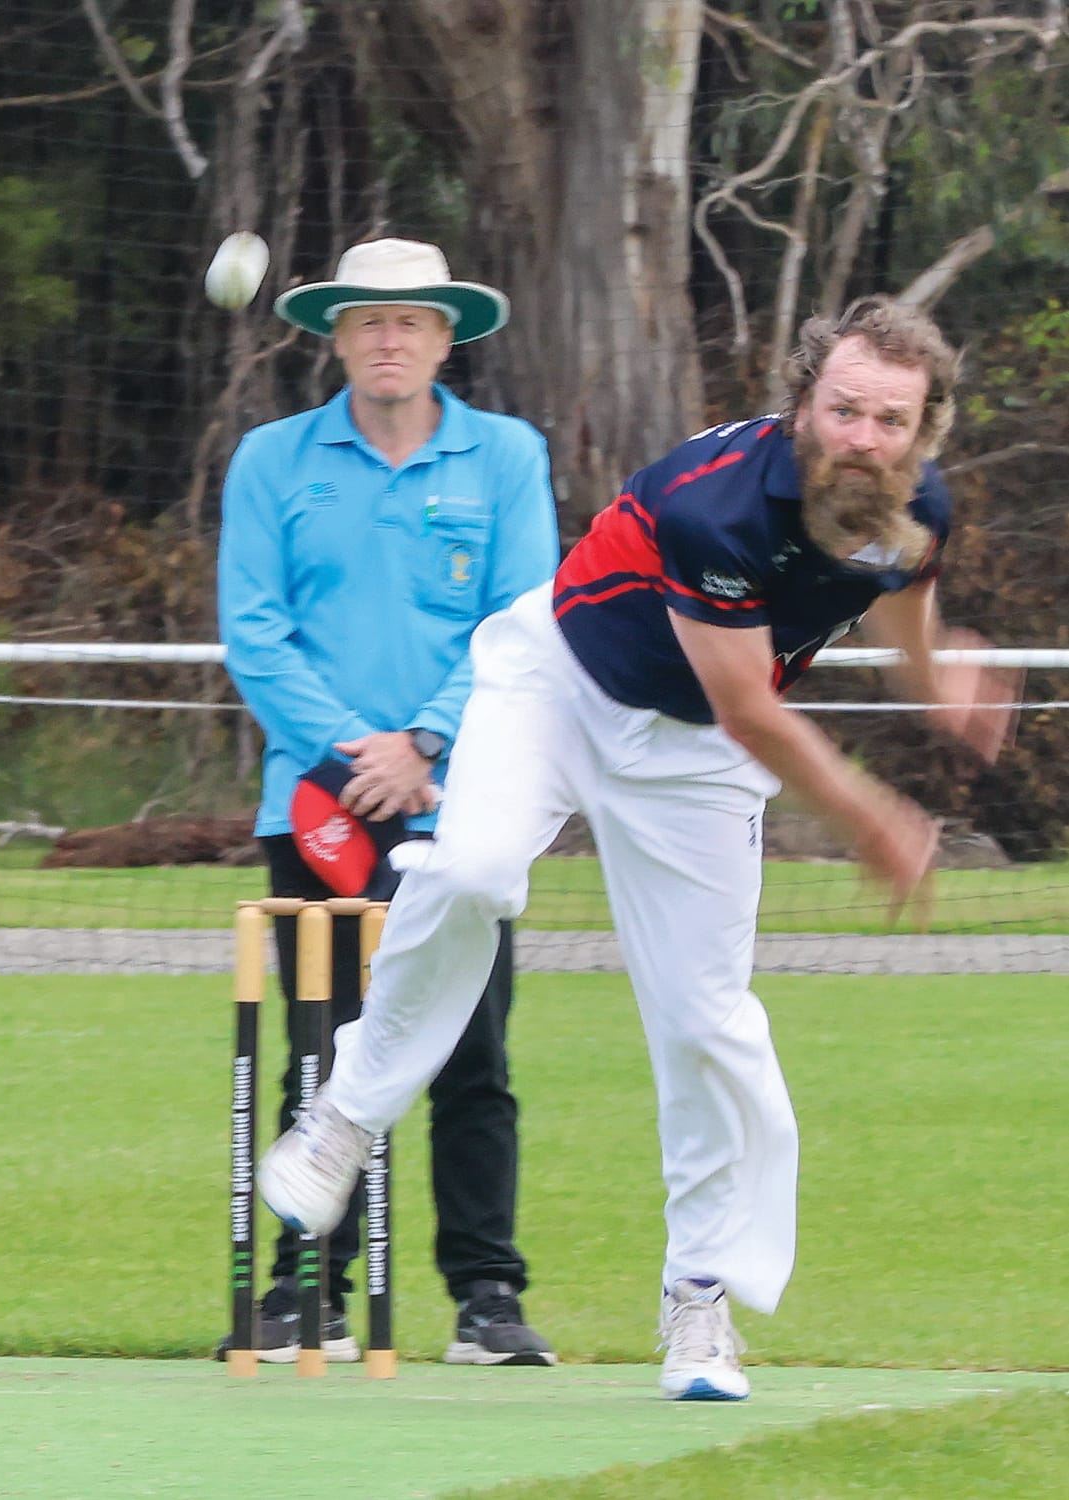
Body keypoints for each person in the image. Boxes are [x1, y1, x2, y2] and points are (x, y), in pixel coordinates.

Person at [257, 295, 1019, 1399]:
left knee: (705, 1022)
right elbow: (753, 707)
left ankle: (698, 1298)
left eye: (889, 420)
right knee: (469, 871)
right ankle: (343, 1116)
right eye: (843, 408)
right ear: (800, 403)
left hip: (695, 760)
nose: (862, 436)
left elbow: (897, 603)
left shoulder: (913, 504)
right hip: (559, 682)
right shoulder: (718, 508)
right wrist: (873, 817)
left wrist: (937, 673)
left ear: (922, 432)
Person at [217, 238, 562, 1366]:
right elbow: (254, 633)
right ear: (335, 335)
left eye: (410, 321)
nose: (388, 338)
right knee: (317, 1054)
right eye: (366, 320)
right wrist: (349, 749)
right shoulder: (272, 461)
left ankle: (485, 1298)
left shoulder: (505, 456)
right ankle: (297, 1289)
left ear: (444, 336)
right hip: (313, 803)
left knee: (472, 1051)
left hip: (464, 801)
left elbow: (524, 624)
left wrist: (422, 745)